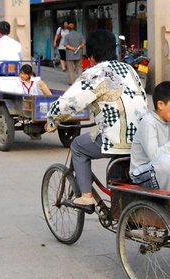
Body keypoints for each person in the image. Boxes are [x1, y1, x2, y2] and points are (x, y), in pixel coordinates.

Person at [46, 30, 148, 213]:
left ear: (91, 55)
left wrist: (52, 119)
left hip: (117, 139)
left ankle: (86, 198)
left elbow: (70, 102)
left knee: (77, 146)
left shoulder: (95, 73)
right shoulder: (129, 69)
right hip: (142, 137)